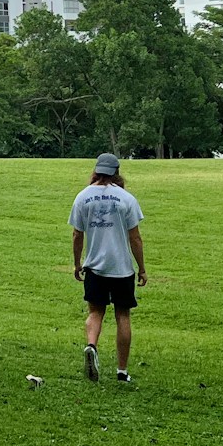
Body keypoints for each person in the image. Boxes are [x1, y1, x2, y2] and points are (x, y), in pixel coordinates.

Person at [69, 151, 146, 383]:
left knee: (95, 312)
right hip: (122, 268)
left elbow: (77, 235)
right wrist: (142, 268)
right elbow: (135, 238)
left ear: (96, 171)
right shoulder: (127, 199)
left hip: (95, 267)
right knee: (123, 315)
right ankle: (122, 371)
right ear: (116, 173)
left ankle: (91, 345)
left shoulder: (82, 197)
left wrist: (77, 263)